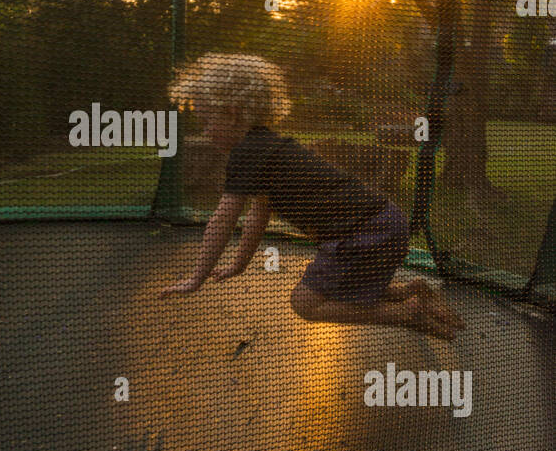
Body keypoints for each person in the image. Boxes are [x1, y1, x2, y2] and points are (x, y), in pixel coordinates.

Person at [159, 53, 464, 341]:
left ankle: (405, 313)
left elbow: (222, 219)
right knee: (342, 288)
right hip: (385, 222)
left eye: (206, 121)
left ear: (232, 113)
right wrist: (239, 264)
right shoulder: (268, 147)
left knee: (305, 303)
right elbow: (257, 214)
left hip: (363, 232)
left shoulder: (247, 153)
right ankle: (411, 291)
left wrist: (196, 278)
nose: (206, 131)